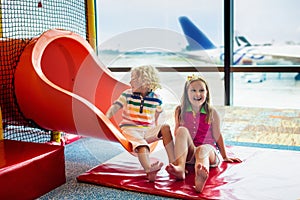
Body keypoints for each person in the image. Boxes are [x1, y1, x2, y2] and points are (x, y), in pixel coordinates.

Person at [166, 74, 242, 193]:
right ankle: (180, 168)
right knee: (182, 130)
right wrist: (181, 124)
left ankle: (200, 175)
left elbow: (217, 135)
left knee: (202, 149)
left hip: (208, 152)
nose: (198, 94)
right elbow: (177, 134)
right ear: (187, 94)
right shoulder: (180, 110)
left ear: (206, 93)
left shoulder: (211, 112)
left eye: (201, 90)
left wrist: (225, 156)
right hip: (190, 154)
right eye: (193, 90)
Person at [106, 65, 175, 182]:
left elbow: (158, 116)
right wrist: (105, 118)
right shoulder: (127, 94)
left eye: (132, 78)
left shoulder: (157, 98)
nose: (129, 81)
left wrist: (159, 118)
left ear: (144, 82)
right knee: (142, 146)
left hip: (148, 129)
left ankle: (174, 163)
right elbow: (115, 107)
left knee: (166, 128)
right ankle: (149, 170)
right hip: (130, 129)